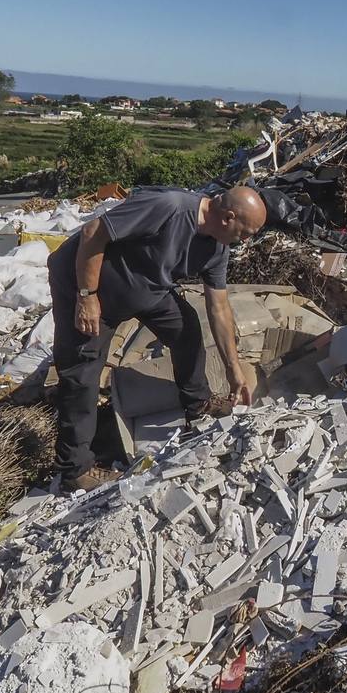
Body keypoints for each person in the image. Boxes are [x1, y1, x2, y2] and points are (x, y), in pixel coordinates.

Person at [47, 185, 266, 491]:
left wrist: (233, 370)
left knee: (186, 328)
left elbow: (219, 307)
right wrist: (87, 296)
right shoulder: (169, 207)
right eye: (246, 233)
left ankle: (197, 402)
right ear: (228, 217)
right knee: (82, 374)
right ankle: (75, 470)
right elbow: (93, 233)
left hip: (146, 287)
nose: (245, 242)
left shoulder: (217, 247)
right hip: (84, 283)